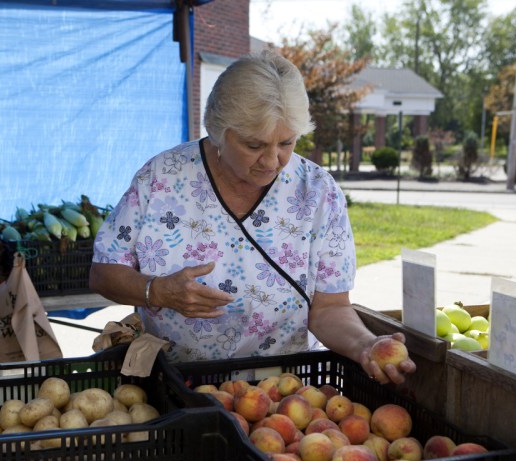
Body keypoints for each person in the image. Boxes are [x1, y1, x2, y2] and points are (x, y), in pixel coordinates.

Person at [90, 50, 415, 384]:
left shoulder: (318, 192)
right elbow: (103, 272)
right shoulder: (161, 178)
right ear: (218, 130)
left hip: (283, 394)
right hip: (176, 383)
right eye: (253, 145)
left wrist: (365, 345)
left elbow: (330, 308)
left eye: (286, 142)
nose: (272, 160)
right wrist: (156, 291)